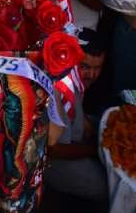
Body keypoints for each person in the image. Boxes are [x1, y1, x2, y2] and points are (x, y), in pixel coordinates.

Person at [45, 28, 109, 204]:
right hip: (52, 162)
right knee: (107, 185)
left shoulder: (74, 77)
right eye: (85, 67)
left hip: (73, 138)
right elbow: (54, 149)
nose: (92, 75)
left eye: (98, 68)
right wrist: (95, 150)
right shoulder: (62, 89)